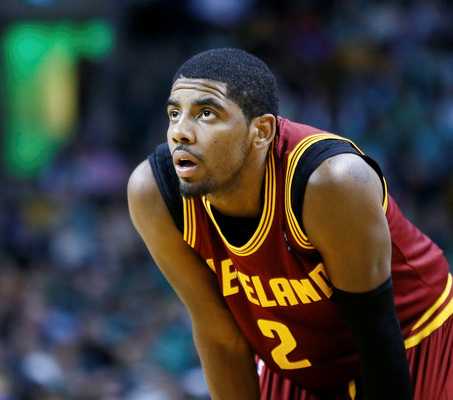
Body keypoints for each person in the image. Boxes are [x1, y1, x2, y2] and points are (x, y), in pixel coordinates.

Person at [127, 48, 453, 399]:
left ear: (261, 131)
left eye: (206, 114)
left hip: (411, 338)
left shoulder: (331, 182)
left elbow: (375, 331)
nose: (180, 132)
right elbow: (220, 336)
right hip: (302, 363)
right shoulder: (155, 193)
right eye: (174, 113)